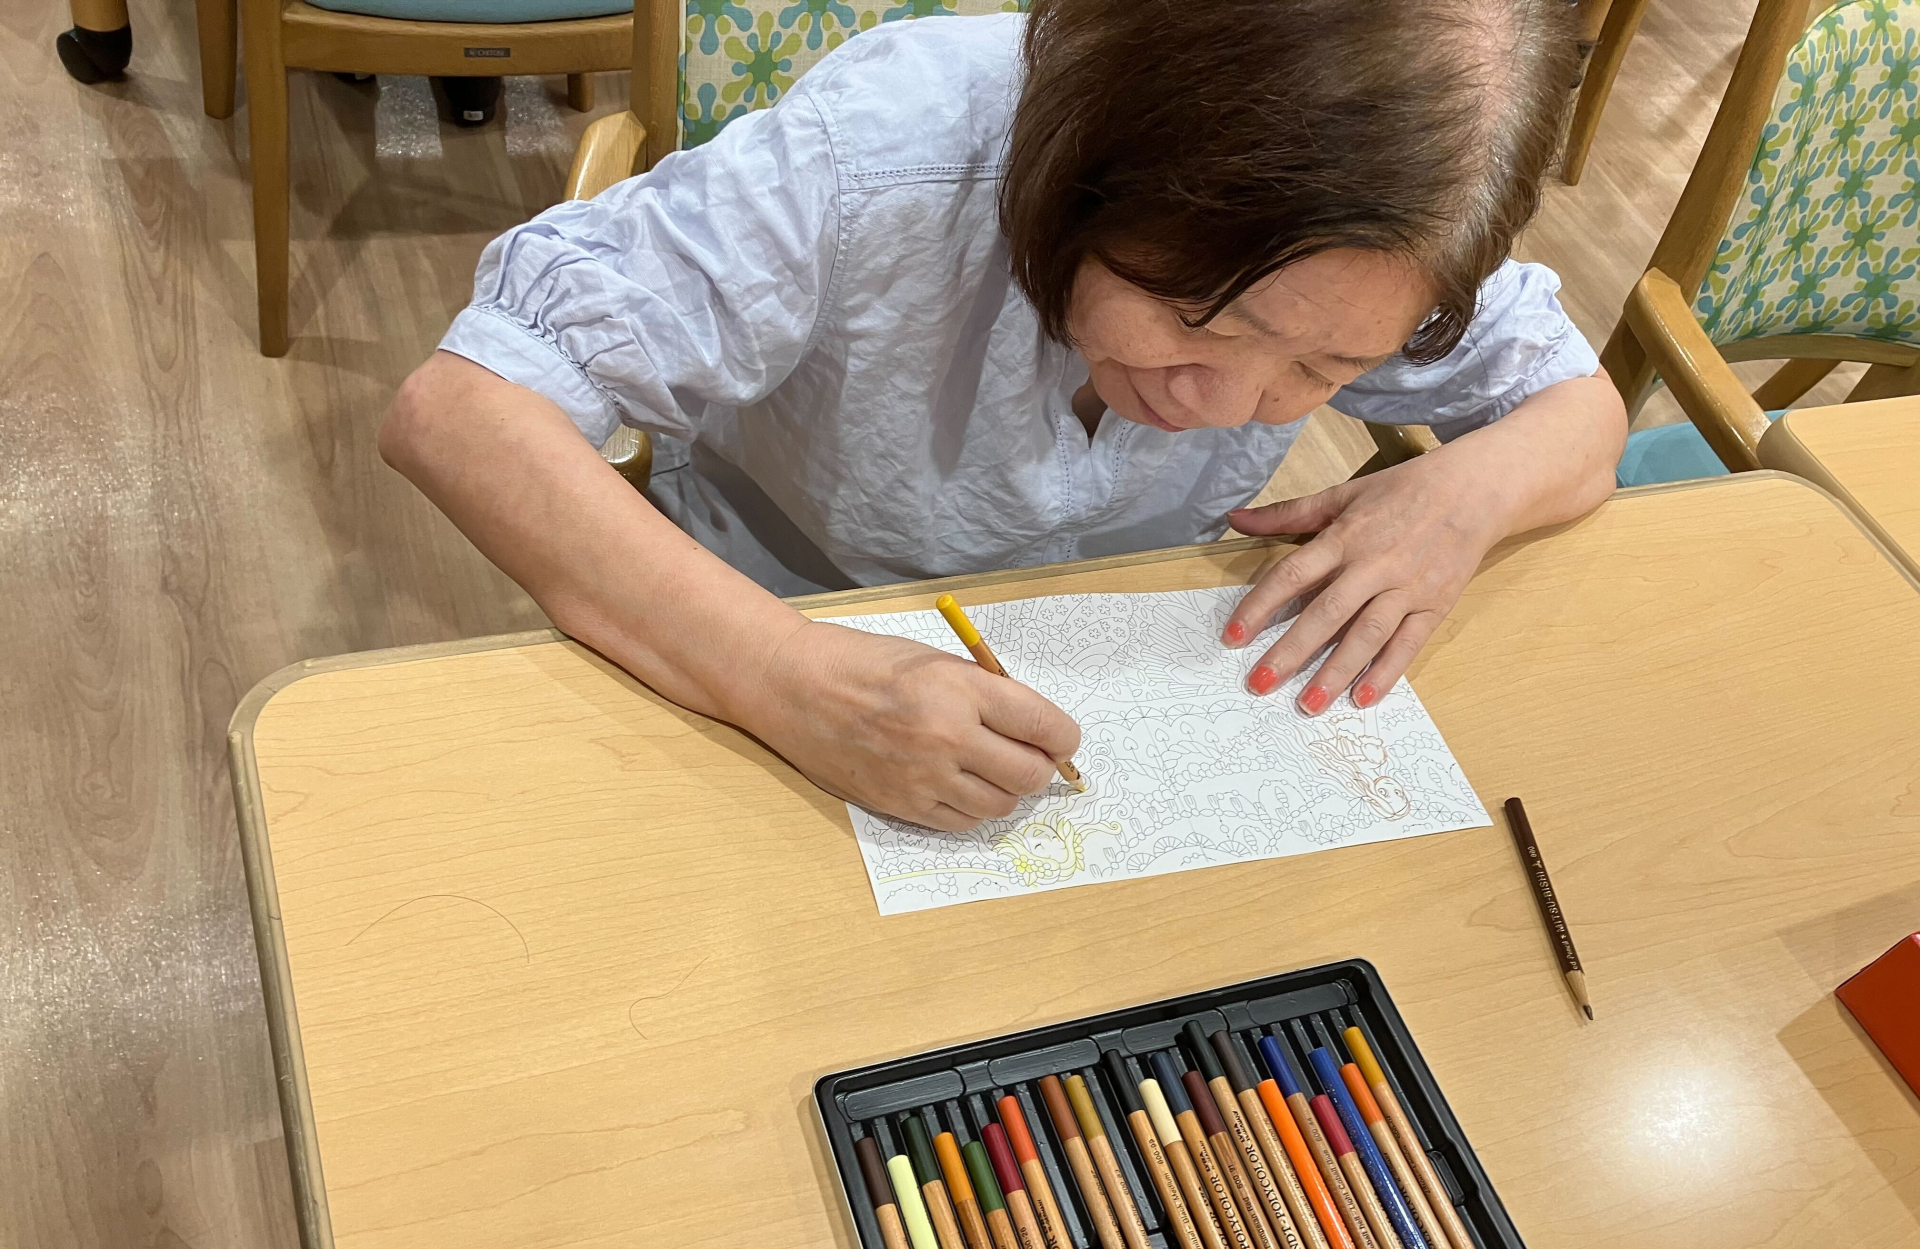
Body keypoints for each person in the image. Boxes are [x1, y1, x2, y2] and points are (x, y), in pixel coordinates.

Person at [380, 0, 1627, 834]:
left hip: (1110, 672)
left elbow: (1579, 410)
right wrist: (786, 677)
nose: (1229, 406)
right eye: (1198, 316)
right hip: (769, 629)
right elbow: (461, 409)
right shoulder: (882, 157)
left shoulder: (1408, 221)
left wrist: (1463, 496)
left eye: (1326, 367)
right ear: (1098, 166)